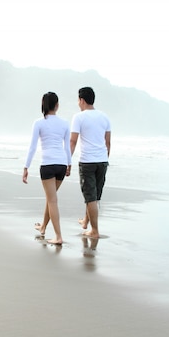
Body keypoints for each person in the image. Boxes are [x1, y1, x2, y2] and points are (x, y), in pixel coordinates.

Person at [22, 92, 72, 245]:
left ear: (43, 105)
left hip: (48, 165)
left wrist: (26, 167)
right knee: (51, 199)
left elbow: (32, 147)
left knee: (52, 200)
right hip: (61, 164)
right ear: (57, 105)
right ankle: (43, 227)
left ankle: (58, 236)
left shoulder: (39, 123)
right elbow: (67, 147)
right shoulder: (64, 123)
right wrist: (69, 164)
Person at [70, 87, 111, 239]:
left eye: (78, 100)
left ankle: (94, 230)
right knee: (94, 195)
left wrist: (67, 161)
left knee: (90, 197)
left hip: (87, 161)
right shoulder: (104, 117)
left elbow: (73, 141)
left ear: (82, 100)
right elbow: (108, 143)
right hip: (102, 161)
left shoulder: (79, 117)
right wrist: (104, 159)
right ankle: (86, 221)